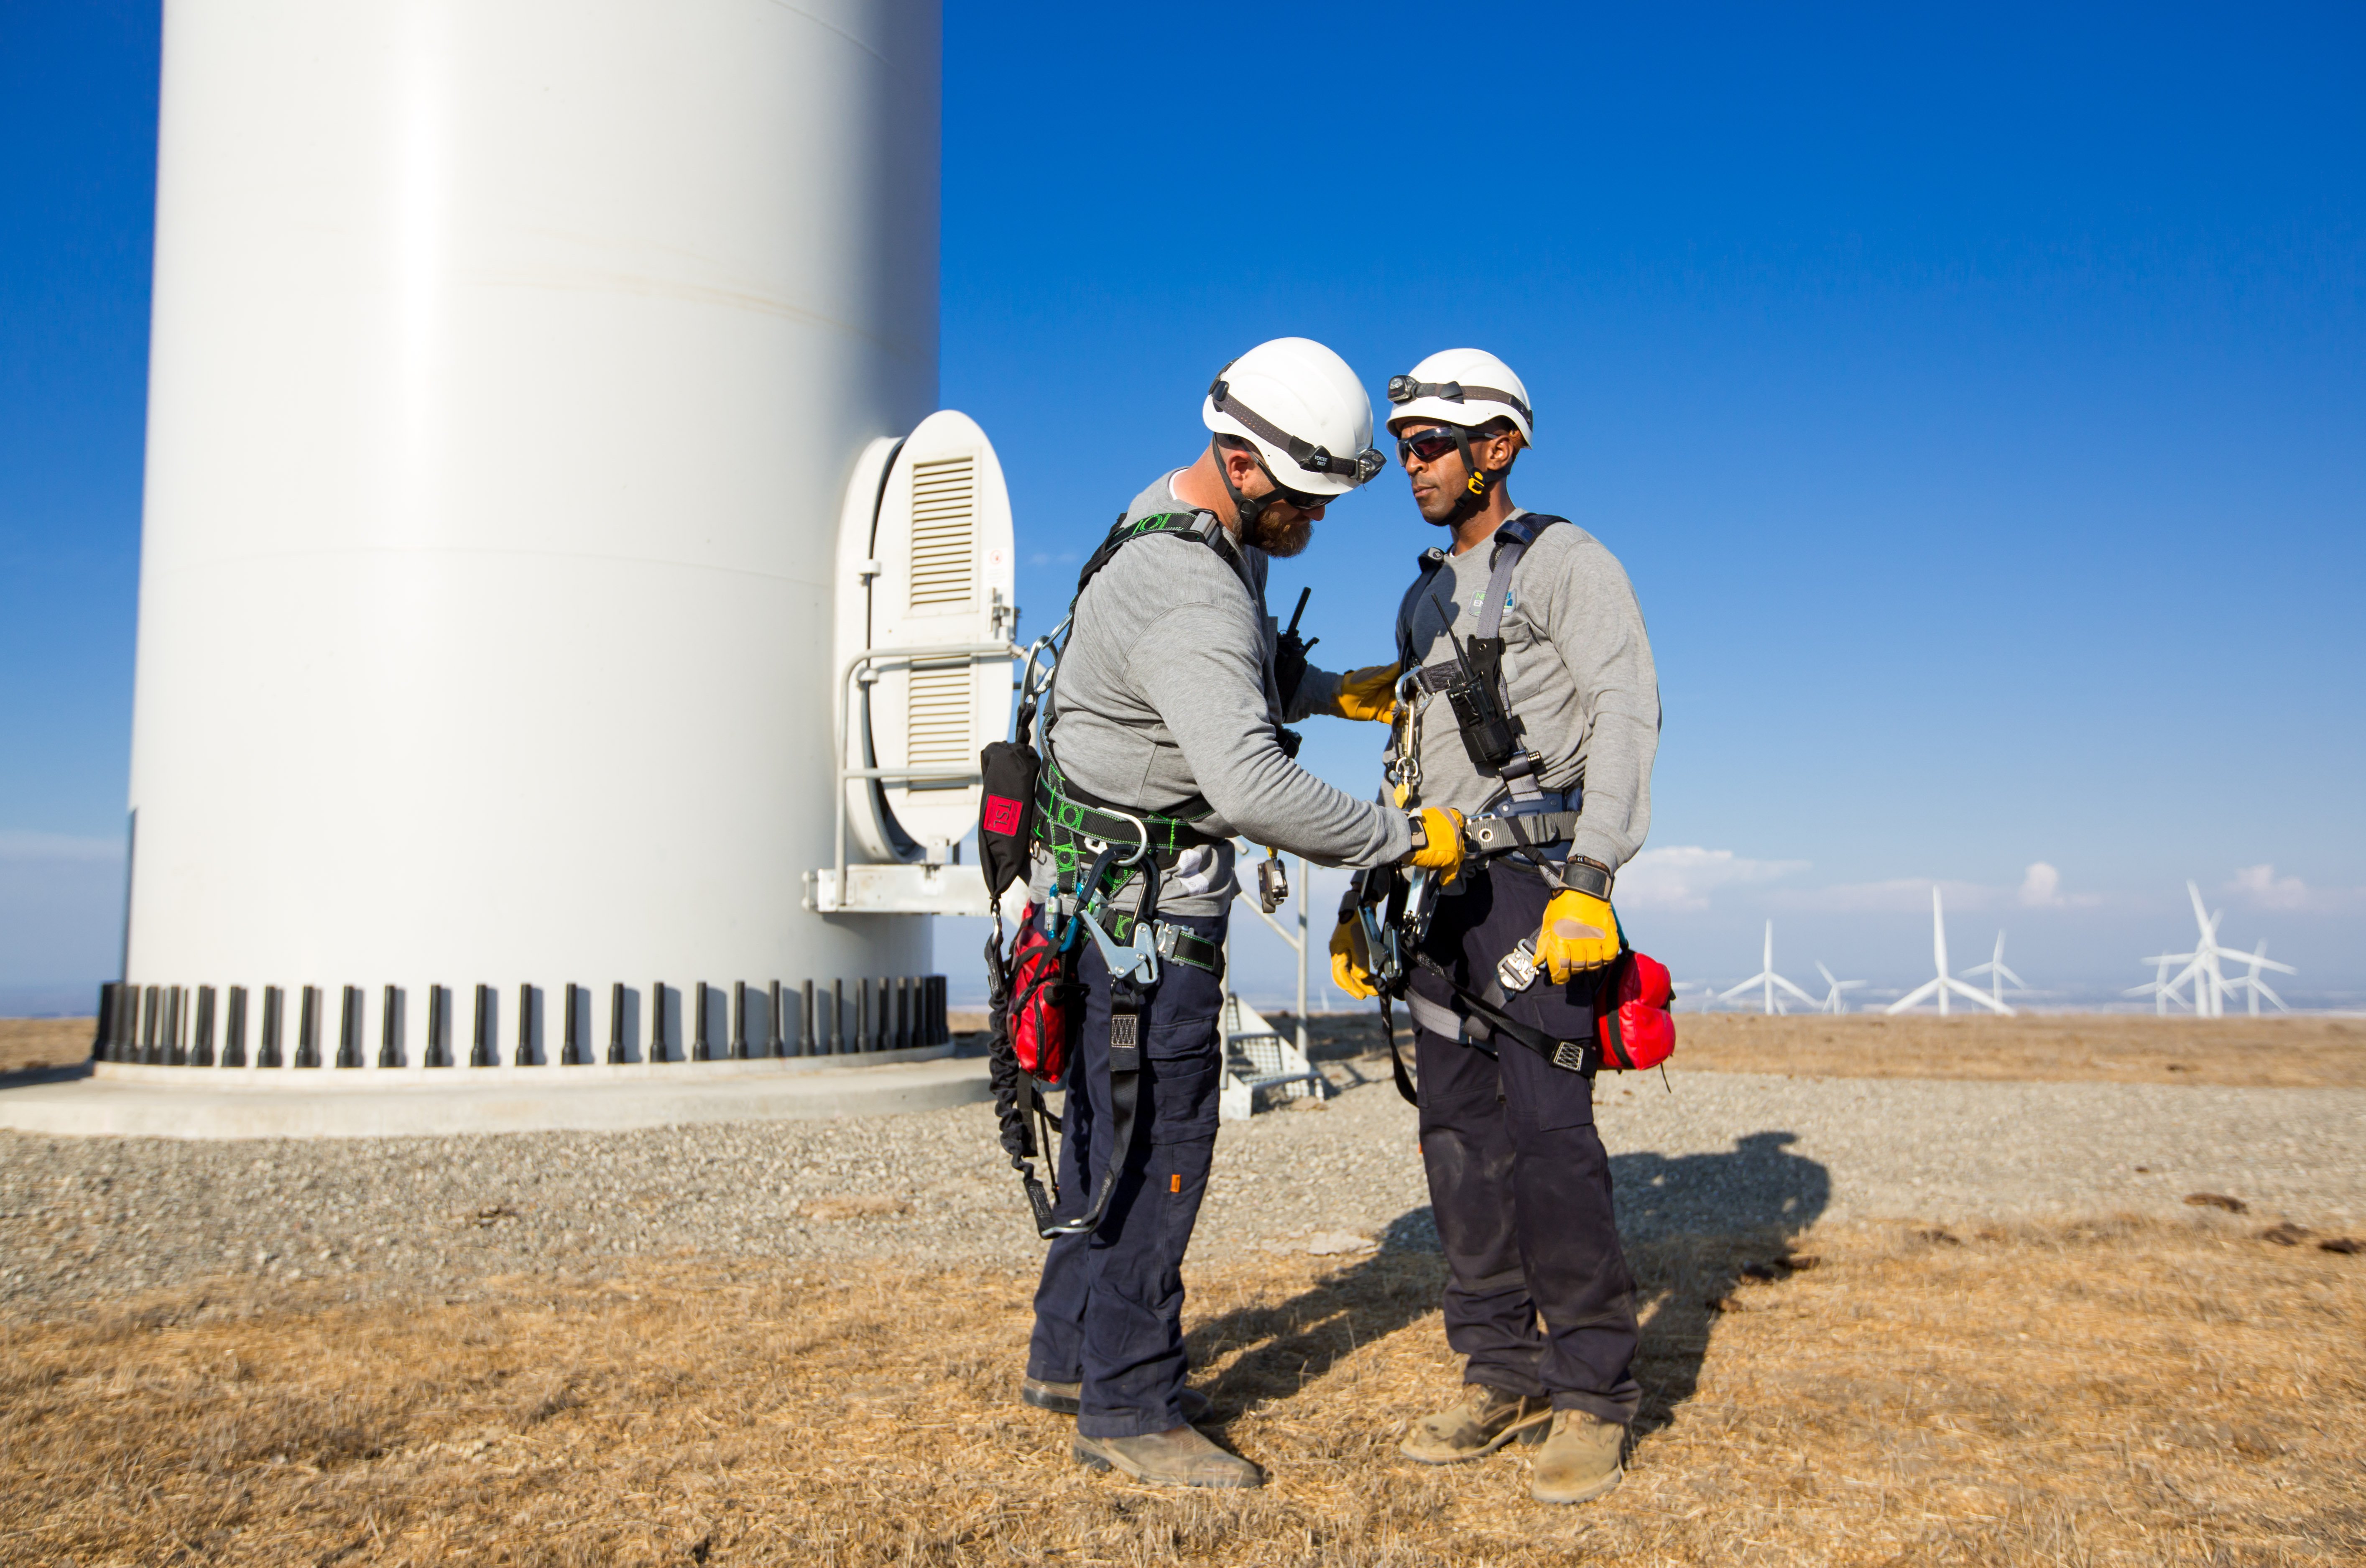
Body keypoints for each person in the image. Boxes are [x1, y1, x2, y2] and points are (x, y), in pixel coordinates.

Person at [1021, 337, 1459, 1489]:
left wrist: (1326, 691)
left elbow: (1233, 670)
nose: (1314, 525)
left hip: (1090, 903)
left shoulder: (1176, 520)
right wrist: (1409, 837)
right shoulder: (1189, 586)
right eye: (1305, 501)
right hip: (1145, 926)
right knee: (1161, 1147)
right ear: (1239, 457)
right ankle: (1128, 1407)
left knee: (1104, 1139)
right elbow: (1253, 788)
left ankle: (1068, 1354)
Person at [1332, 348, 1660, 1506]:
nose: (1410, 462)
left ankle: (1590, 1391)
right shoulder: (1423, 594)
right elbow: (1413, 756)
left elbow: (1625, 707)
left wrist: (1592, 876)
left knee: (1548, 1138)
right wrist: (1361, 892)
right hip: (1437, 901)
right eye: (1405, 444)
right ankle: (1496, 1368)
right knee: (1458, 1142)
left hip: (1537, 892)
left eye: (1430, 443)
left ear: (1497, 448)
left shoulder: (1566, 562)